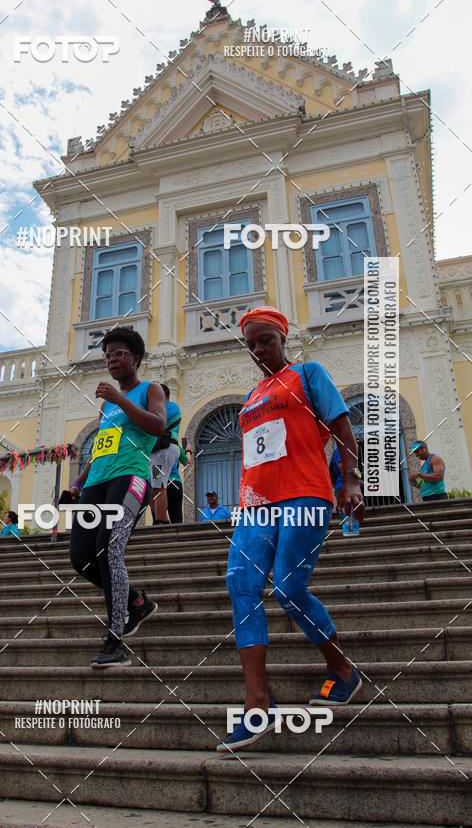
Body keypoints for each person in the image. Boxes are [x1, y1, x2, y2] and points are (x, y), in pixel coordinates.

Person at [219, 306, 365, 752]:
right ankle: (257, 702)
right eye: (252, 345)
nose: (259, 349)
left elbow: (341, 426)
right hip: (256, 503)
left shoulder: (308, 373)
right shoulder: (249, 397)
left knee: (287, 588)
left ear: (282, 339)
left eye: (266, 340)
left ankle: (342, 669)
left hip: (305, 494)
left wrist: (351, 480)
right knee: (241, 584)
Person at [67, 327, 166, 667]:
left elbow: (157, 426)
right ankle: (137, 602)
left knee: (110, 551)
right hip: (97, 482)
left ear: (135, 358)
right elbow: (100, 447)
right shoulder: (106, 406)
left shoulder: (149, 390)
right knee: (81, 557)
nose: (112, 359)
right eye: (108, 354)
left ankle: (116, 639)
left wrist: (120, 398)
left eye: (119, 353)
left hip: (131, 479)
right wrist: (78, 483)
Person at [148, 384, 182, 525]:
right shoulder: (168, 408)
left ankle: (162, 520)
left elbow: (153, 420)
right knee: (154, 487)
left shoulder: (171, 406)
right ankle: (160, 518)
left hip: (163, 450)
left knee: (159, 486)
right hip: (160, 452)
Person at [167, 445, 191, 524]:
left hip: (160, 482)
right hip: (175, 482)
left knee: (158, 517)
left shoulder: (155, 444)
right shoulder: (176, 447)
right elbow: (187, 462)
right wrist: (188, 451)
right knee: (176, 517)